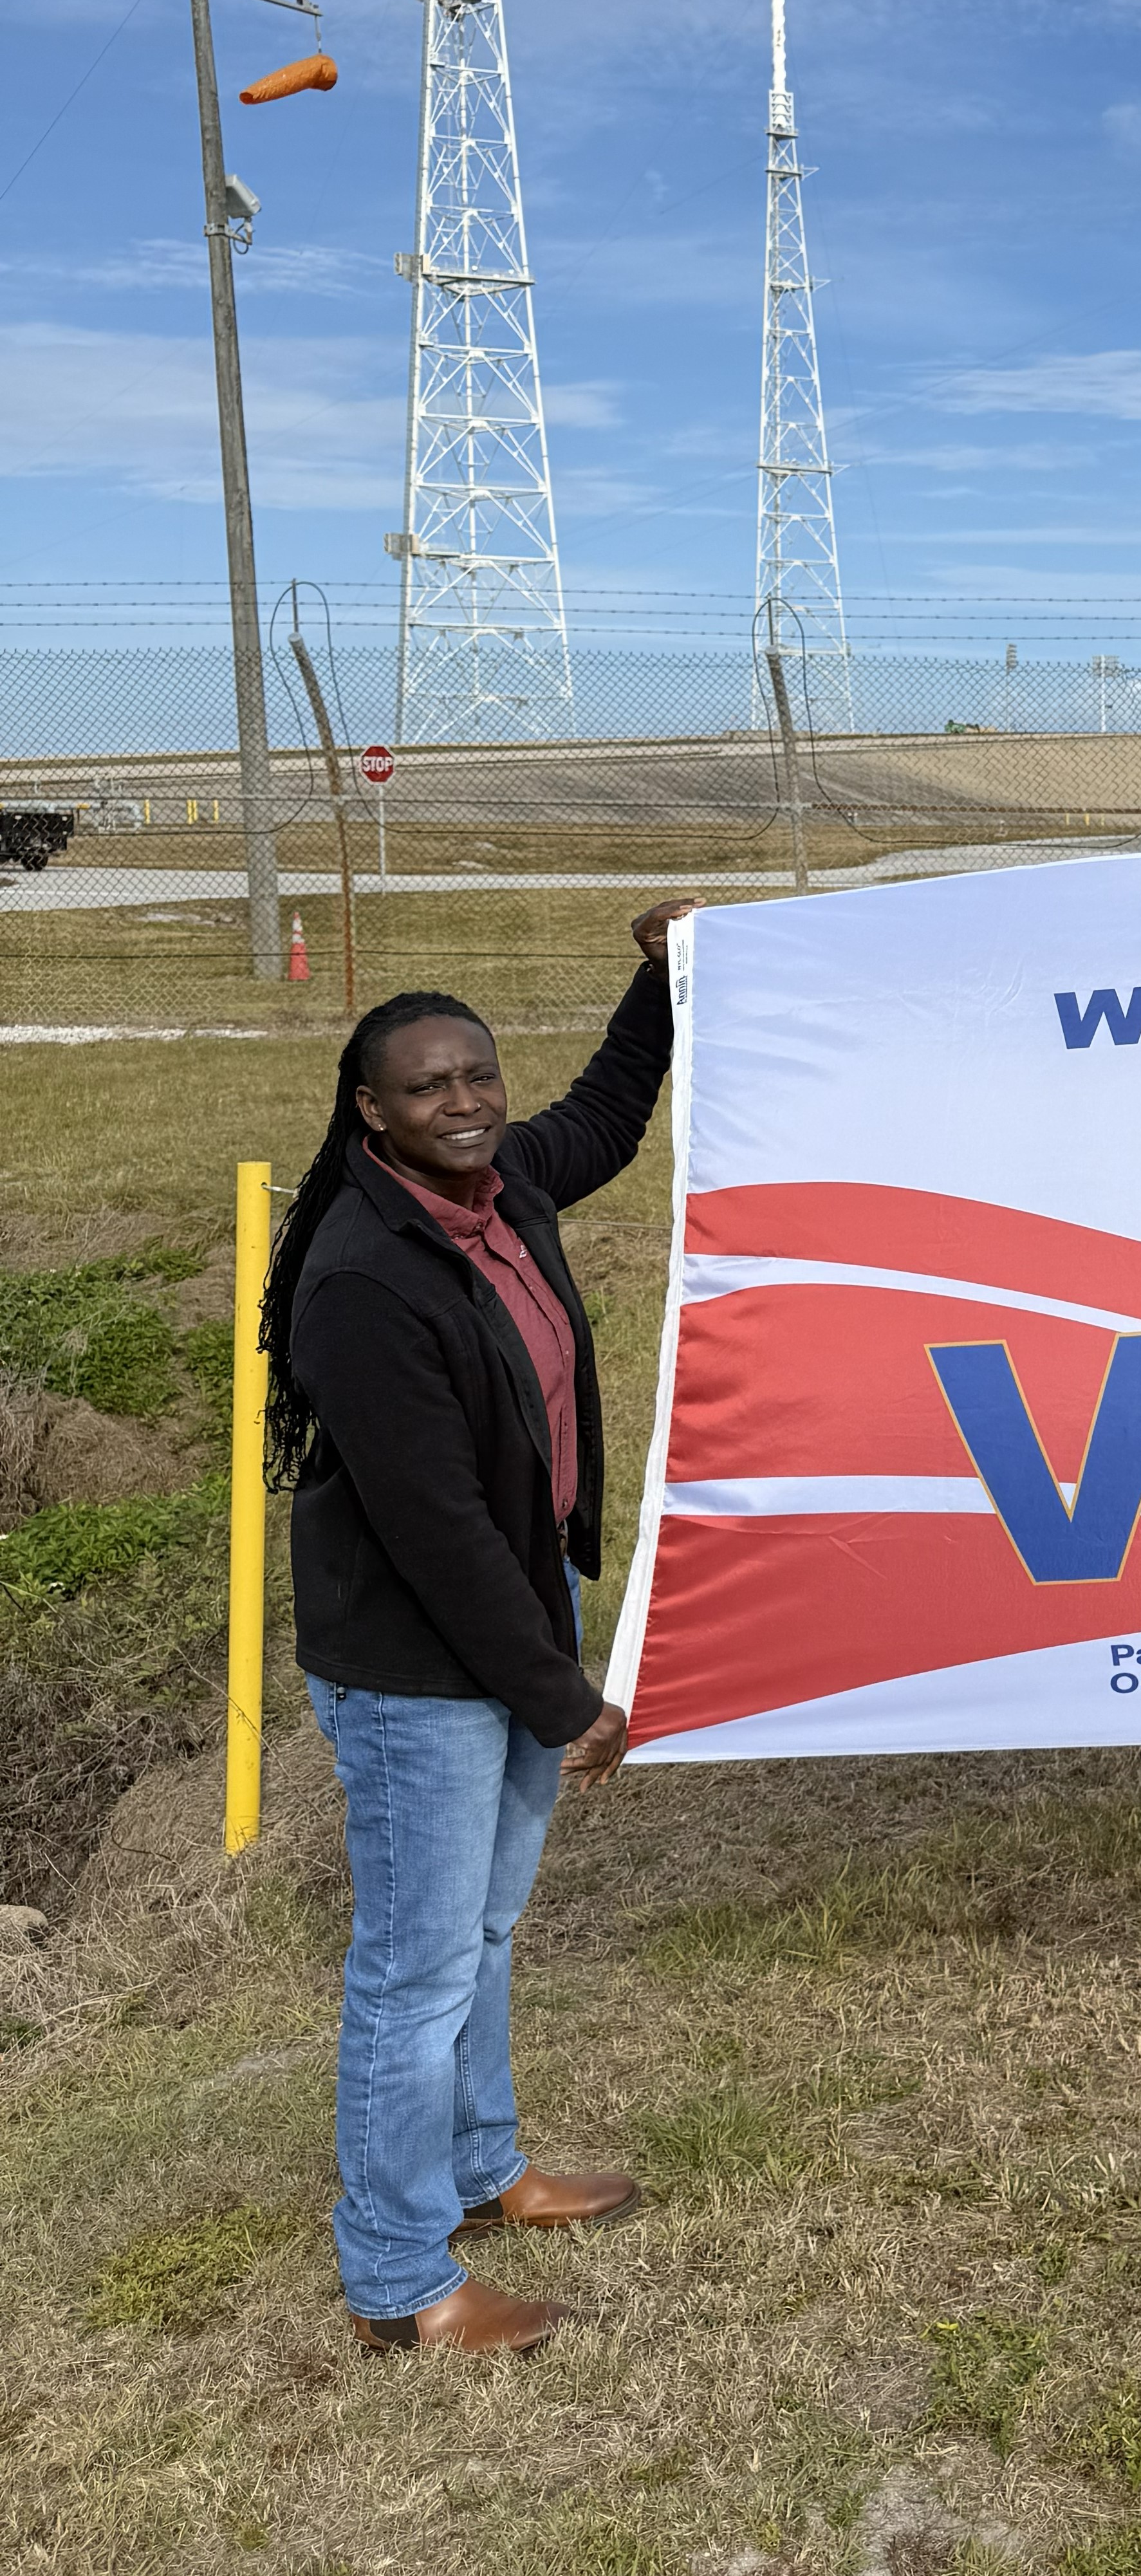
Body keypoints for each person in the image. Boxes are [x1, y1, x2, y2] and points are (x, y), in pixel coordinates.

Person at [262, 909, 691, 2355]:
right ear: (370, 1110)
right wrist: (564, 1697)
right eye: (429, 1086)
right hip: (421, 1667)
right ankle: (397, 2278)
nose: (465, 1102)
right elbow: (435, 1532)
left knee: (485, 1930)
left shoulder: (503, 1189)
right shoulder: (362, 1278)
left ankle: (483, 2167)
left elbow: (609, 1117)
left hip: (516, 1614)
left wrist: (660, 980)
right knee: (416, 1966)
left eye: (477, 1076)